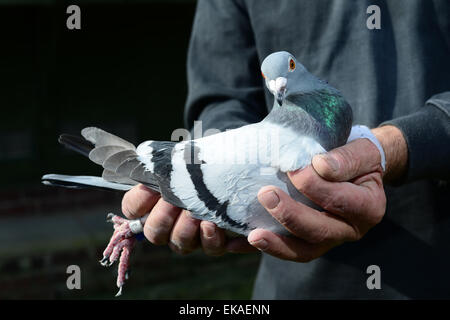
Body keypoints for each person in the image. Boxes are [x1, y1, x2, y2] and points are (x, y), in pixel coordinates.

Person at [121, 0, 450, 298]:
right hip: (295, 281)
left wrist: (396, 146)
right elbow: (222, 95)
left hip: (437, 256)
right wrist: (224, 172)